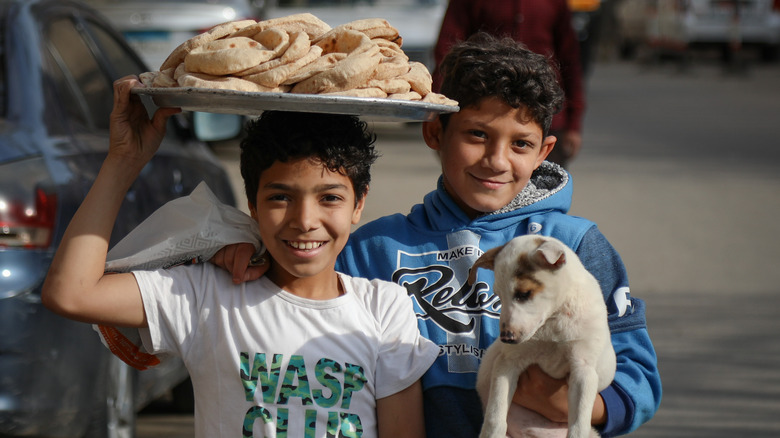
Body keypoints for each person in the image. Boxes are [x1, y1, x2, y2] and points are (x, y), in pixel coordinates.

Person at [214, 33, 661, 437]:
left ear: (545, 150)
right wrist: (245, 247)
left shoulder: (574, 248)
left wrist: (574, 406)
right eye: (477, 134)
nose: (496, 160)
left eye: (520, 144)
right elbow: (292, 299)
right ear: (434, 131)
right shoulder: (372, 249)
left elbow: (636, 371)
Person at [41, 76, 439, 438]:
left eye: (330, 198)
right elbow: (71, 293)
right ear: (251, 204)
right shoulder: (207, 297)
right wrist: (123, 160)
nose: (304, 221)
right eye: (280, 197)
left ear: (358, 204)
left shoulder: (384, 308)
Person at [432, 0, 586, 168]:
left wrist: (574, 123)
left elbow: (570, 60)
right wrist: (438, 112)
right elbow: (447, 55)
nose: (499, 162)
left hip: (545, 115)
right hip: (483, 115)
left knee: (542, 190)